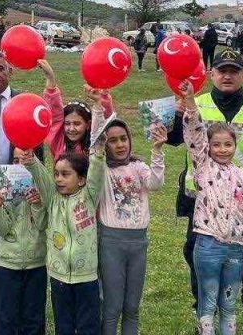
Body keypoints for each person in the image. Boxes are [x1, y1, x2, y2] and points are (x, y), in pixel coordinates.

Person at [165, 47, 243, 334]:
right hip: (203, 204)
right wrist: (174, 115)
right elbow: (171, 138)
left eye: (234, 71)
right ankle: (203, 321)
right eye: (222, 70)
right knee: (199, 262)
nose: (227, 76)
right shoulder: (192, 103)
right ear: (211, 73)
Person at [23, 133, 106, 335]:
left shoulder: (88, 196)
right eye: (57, 174)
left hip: (86, 278)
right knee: (64, 326)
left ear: (81, 180)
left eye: (65, 174)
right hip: (59, 278)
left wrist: (100, 152)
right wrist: (32, 161)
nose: (59, 179)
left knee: (88, 327)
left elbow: (96, 173)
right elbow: (42, 177)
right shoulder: (52, 197)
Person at [96, 118, 166, 335]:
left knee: (132, 308)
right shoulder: (102, 170)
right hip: (111, 243)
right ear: (104, 144)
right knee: (112, 307)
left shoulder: (137, 167)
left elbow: (155, 183)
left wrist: (156, 150)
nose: (120, 145)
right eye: (113, 141)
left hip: (138, 243)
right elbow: (95, 139)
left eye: (123, 139)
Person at [0, 148, 49, 335]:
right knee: (5, 318)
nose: (19, 165)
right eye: (15, 161)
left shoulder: (43, 189)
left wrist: (37, 204)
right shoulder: (4, 188)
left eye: (25, 160)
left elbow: (43, 224)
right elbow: (2, 230)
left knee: (33, 319)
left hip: (36, 263)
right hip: (7, 264)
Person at [40, 60, 114, 159]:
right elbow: (55, 114)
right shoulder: (59, 143)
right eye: (67, 123)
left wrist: (102, 98)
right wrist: (50, 78)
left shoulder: (94, 145)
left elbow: (103, 123)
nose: (71, 129)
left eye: (77, 124)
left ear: (88, 125)